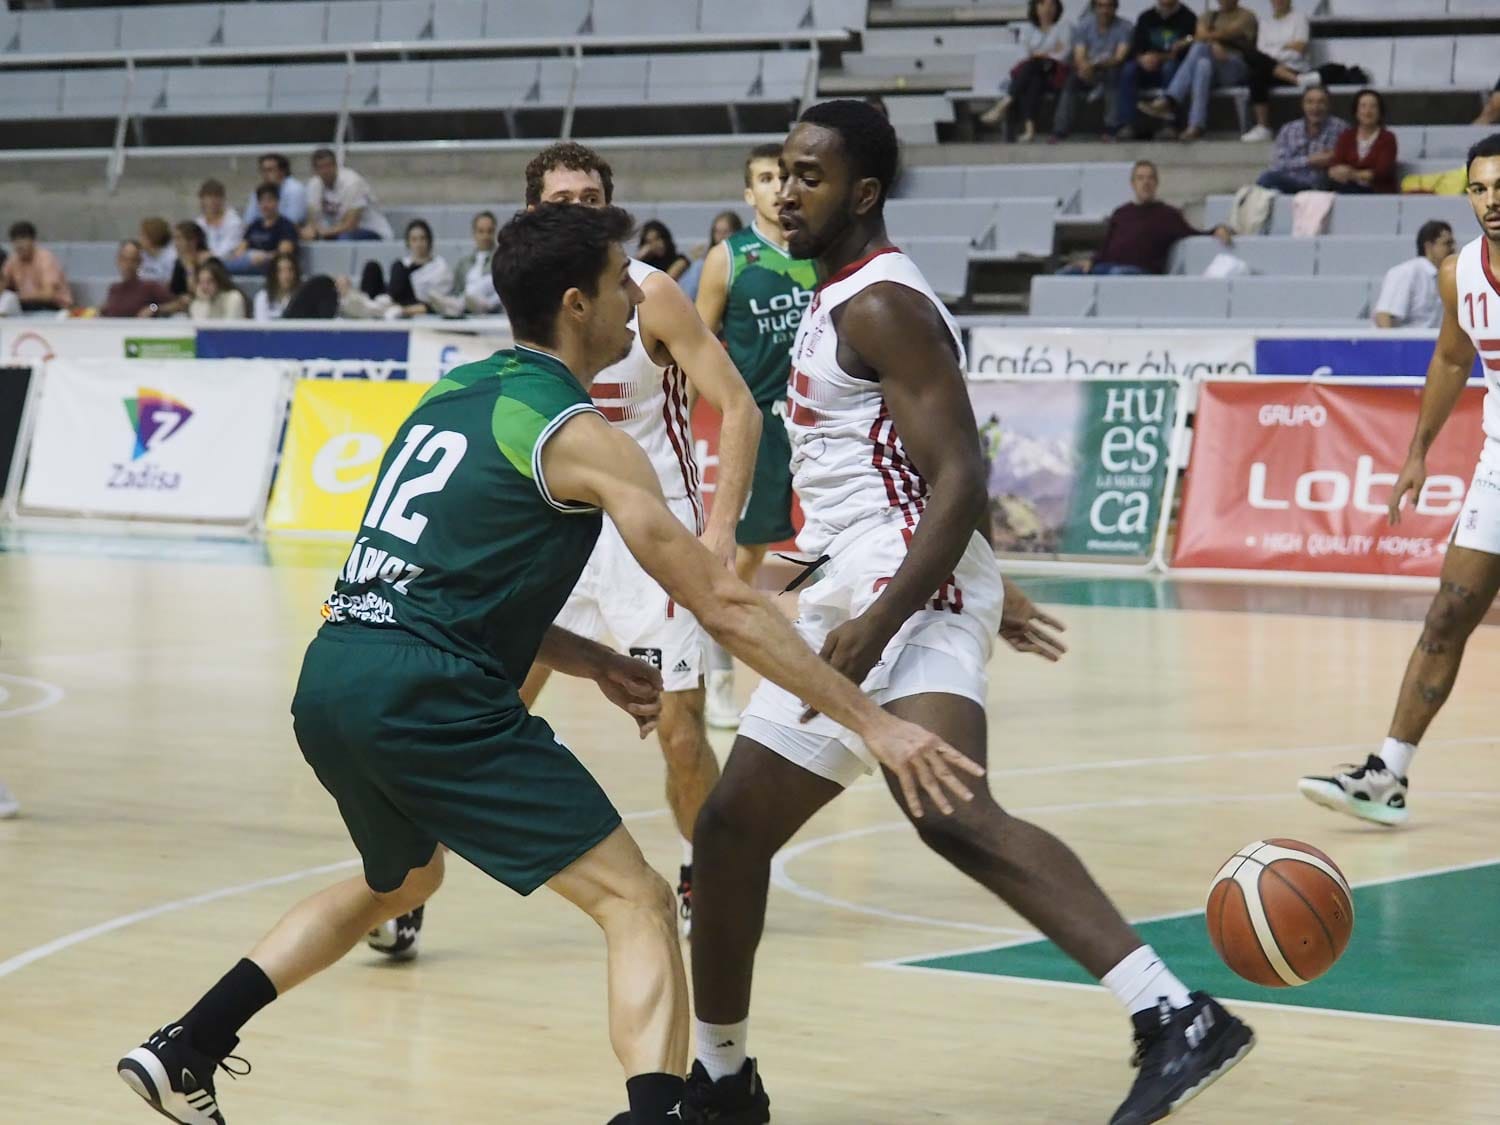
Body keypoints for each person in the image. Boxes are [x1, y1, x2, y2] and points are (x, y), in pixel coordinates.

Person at [115, 202, 960, 1125]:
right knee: (636, 899)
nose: (631, 313)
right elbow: (723, 602)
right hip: (427, 693)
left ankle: (189, 1043)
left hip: (335, 674)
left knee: (398, 883)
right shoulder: (581, 435)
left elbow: (431, 580)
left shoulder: (452, 395)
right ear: (573, 304)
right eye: (616, 290)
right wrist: (872, 720)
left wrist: (591, 658)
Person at [681, 100, 1254, 1125]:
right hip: (870, 582)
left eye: (810, 176)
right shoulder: (834, 293)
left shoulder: (883, 305)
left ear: (862, 193)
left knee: (949, 810)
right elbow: (879, 476)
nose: (787, 191)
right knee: (728, 833)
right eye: (780, 173)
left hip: (902, 588)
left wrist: (902, 608)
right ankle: (721, 1082)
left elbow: (959, 477)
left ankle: (1174, 1014)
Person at [367, 142, 763, 956]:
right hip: (552, 535)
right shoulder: (532, 302)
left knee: (681, 730)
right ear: (533, 215)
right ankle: (403, 887)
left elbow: (739, 407)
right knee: (478, 715)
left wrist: (720, 531)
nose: (578, 208)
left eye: (592, 197)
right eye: (562, 199)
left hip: (647, 535)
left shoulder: (649, 296)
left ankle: (704, 874)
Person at [1300, 136, 1500, 826]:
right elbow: (1451, 359)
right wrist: (1417, 452)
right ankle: (1387, 773)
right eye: (1480, 188)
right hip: (1498, 468)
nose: (1493, 200)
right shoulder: (1459, 273)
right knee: (1446, 615)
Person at [694, 144, 820, 729]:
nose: (777, 187)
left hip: (823, 424)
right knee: (744, 558)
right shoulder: (729, 258)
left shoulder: (819, 249)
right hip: (761, 426)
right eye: (765, 179)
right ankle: (716, 666)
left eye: (784, 177)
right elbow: (691, 347)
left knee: (833, 550)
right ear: (749, 194)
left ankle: (831, 670)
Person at [1061, 159, 1231, 275]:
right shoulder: (1121, 213)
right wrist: (1091, 261)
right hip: (1107, 267)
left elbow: (1194, 234)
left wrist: (1218, 229)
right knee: (1066, 274)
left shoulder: (1168, 215)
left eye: (1150, 178)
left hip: (1139, 272)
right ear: (1133, 184)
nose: (1145, 183)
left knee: (1117, 275)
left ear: (1156, 183)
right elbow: (1106, 248)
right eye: (1140, 178)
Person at [1140, 0, 1257, 142]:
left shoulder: (1246, 16)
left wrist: (1206, 39)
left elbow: (1229, 32)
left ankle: (1169, 99)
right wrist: (1212, 43)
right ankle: (1195, 126)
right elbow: (1200, 34)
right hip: (1212, 67)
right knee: (1202, 65)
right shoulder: (1208, 16)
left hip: (1234, 65)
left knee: (1200, 47)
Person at [979, 0, 1070, 143]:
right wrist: (1048, 51)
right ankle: (1029, 130)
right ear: (1035, 7)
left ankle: (1003, 105)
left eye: (1052, 5)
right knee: (1033, 79)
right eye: (1043, 4)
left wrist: (1038, 54)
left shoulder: (1063, 28)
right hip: (1034, 73)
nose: (1047, 9)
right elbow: (1022, 56)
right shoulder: (1028, 29)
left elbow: (1063, 54)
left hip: (1054, 74)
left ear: (1057, 8)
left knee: (1031, 68)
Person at [1051, 0, 1133, 142]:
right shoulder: (1084, 26)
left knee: (1113, 75)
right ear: (1094, 8)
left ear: (1115, 8)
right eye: (1100, 6)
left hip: (1111, 68)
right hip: (1088, 69)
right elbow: (1079, 54)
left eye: (1109, 6)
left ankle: (1111, 128)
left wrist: (1094, 65)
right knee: (1071, 79)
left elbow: (1119, 57)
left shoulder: (1125, 27)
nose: (1104, 10)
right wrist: (1084, 66)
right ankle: (1060, 130)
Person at [1115, 0, 1197, 140]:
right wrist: (1142, 58)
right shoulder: (1146, 17)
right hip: (1146, 66)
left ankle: (1170, 125)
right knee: (1129, 70)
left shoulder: (1189, 18)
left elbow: (1186, 53)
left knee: (1171, 68)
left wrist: (1160, 57)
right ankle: (1127, 125)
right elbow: (1136, 47)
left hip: (1172, 67)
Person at [343, 219, 457, 319]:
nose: (418, 244)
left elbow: (435, 303)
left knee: (399, 268)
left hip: (413, 304)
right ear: (408, 243)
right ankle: (367, 304)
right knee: (372, 267)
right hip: (391, 298)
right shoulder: (403, 264)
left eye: (422, 239)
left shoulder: (440, 267)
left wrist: (403, 310)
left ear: (429, 241)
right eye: (414, 239)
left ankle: (375, 307)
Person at [1241, 0, 1318, 142]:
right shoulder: (1265, 23)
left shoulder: (1299, 18)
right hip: (1272, 69)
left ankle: (1293, 78)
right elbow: (1260, 52)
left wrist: (1273, 53)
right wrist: (1284, 48)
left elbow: (1299, 49)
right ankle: (1263, 127)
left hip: (1295, 67)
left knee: (1259, 67)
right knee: (1253, 63)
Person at [1256, 85, 1346, 193]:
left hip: (1324, 183)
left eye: (1321, 102)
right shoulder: (1289, 129)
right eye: (1310, 102)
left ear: (1328, 105)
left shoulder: (1341, 128)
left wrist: (1332, 159)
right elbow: (1279, 164)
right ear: (1303, 105)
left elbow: (1346, 159)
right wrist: (1309, 160)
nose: (1315, 107)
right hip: (1293, 183)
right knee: (1267, 178)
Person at [301, 148, 393, 242]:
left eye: (328, 166)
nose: (325, 171)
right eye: (320, 167)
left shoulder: (352, 183)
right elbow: (312, 216)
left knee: (344, 239)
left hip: (370, 230)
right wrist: (311, 230)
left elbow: (351, 224)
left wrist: (322, 233)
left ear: (336, 166)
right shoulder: (314, 184)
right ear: (314, 170)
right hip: (335, 231)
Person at [1328, 88, 1398, 195]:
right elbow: (1336, 165)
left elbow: (1382, 172)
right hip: (1348, 189)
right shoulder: (1346, 136)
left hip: (1378, 192)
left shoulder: (1388, 138)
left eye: (1373, 106)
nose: (1368, 111)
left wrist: (1352, 174)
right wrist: (1338, 172)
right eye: (1363, 106)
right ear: (1356, 111)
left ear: (1380, 112)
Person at [226, 183, 299, 275]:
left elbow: (284, 254)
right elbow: (241, 247)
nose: (265, 205)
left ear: (277, 201)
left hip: (271, 266)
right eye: (262, 201)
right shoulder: (254, 225)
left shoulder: (286, 226)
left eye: (269, 200)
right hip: (250, 262)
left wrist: (264, 257)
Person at [1, 221, 72, 311]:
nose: (19, 245)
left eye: (23, 239)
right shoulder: (13, 260)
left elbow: (48, 295)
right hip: (28, 305)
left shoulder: (45, 259)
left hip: (55, 307)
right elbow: (3, 283)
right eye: (15, 241)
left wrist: (17, 298)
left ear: (33, 240)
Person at [677, 210, 743, 301]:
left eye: (726, 232)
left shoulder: (744, 258)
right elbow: (687, 294)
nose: (721, 236)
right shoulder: (703, 263)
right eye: (717, 232)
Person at [448, 209, 503, 315]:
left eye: (489, 231)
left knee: (488, 281)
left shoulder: (502, 258)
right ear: (474, 233)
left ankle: (467, 303)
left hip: (493, 309)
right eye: (481, 231)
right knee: (470, 289)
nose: (485, 236)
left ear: (495, 232)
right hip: (467, 311)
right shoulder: (463, 263)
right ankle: (461, 303)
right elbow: (457, 289)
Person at [101, 240, 173, 318]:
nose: (128, 265)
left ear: (140, 262)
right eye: (124, 259)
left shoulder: (149, 287)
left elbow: (177, 304)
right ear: (118, 260)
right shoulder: (114, 289)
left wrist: (154, 308)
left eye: (133, 260)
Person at [160, 222, 213, 317]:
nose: (176, 244)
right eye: (175, 239)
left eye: (179, 239)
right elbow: (174, 292)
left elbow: (199, 291)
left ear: (192, 241)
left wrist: (189, 268)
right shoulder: (179, 262)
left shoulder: (210, 261)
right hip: (184, 308)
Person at [242, 151, 307, 229]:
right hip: (262, 234)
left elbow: (291, 223)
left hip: (286, 235)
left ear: (282, 171)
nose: (265, 174)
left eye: (269, 170)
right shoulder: (259, 190)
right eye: (263, 170)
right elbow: (248, 222)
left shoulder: (295, 189)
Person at [195, 179, 245, 262]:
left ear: (223, 199)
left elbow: (227, 251)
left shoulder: (234, 222)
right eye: (208, 197)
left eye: (216, 197)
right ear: (202, 200)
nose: (212, 201)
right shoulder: (198, 223)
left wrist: (208, 256)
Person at [254, 252, 301, 321]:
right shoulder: (263, 297)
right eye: (281, 271)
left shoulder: (301, 298)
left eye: (290, 270)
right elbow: (261, 326)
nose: (286, 275)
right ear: (273, 274)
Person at [138, 217, 177, 285]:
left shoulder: (171, 257)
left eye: (142, 235)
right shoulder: (142, 254)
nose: (139, 239)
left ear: (152, 237)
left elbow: (170, 284)